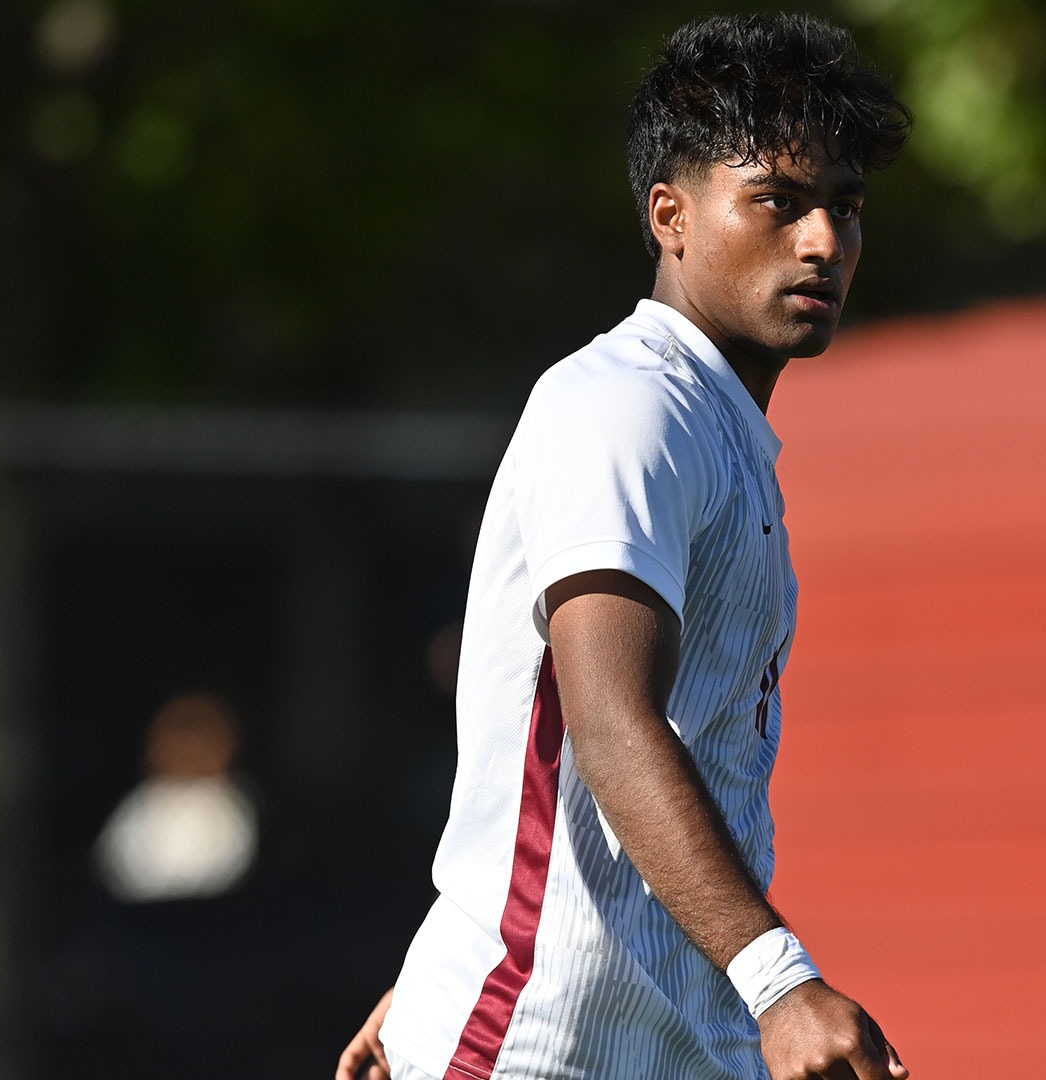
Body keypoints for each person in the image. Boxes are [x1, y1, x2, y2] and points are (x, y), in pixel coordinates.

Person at [338, 13, 911, 1080]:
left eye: (845, 206)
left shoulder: (713, 428)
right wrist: (782, 981)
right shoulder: (627, 407)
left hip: (651, 1048)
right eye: (779, 202)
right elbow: (606, 721)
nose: (825, 241)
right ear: (671, 216)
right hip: (532, 1050)